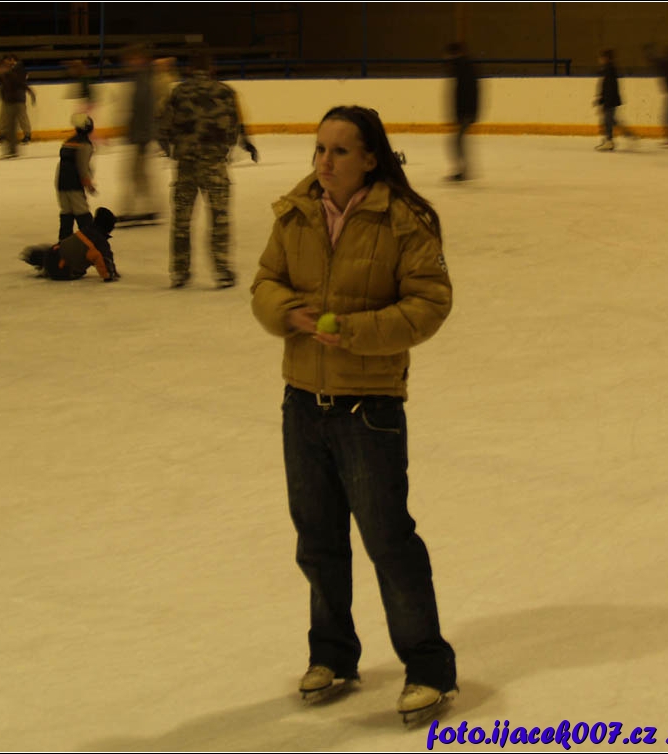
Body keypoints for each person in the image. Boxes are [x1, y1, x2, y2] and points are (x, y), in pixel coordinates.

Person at [250, 105, 457, 720]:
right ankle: (333, 655)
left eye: (339, 151)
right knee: (317, 540)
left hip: (369, 408)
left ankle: (428, 667)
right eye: (319, 149)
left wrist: (357, 332)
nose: (325, 161)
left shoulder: (404, 220)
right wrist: (285, 312)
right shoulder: (296, 211)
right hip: (302, 402)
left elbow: (430, 303)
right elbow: (264, 282)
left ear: (370, 158)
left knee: (388, 541)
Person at [157, 48, 240, 289]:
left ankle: (180, 271)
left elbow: (162, 127)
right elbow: (233, 128)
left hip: (186, 165)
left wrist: (173, 151)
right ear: (211, 68)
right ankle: (222, 270)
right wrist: (223, 149)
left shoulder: (178, 93)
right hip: (215, 165)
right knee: (219, 219)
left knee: (182, 221)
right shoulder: (225, 92)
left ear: (189, 68)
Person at [117, 44, 159, 224]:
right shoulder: (140, 78)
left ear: (140, 59)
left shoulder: (143, 81)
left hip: (141, 136)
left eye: (131, 59)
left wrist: (141, 137)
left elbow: (144, 111)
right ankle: (149, 208)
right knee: (139, 174)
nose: (127, 63)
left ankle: (134, 209)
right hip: (139, 135)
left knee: (135, 173)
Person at [20, 207, 120, 282]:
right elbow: (104, 261)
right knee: (73, 260)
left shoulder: (85, 230)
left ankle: (43, 260)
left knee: (65, 251)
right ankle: (52, 267)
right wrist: (110, 275)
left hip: (53, 253)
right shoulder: (100, 244)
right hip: (62, 271)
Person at [56, 113, 97, 240]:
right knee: (82, 213)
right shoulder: (85, 145)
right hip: (74, 184)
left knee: (66, 213)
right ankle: (91, 240)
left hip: (61, 183)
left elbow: (62, 165)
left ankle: (64, 241)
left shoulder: (68, 142)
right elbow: (82, 167)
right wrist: (89, 185)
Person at [445, 42, 479, 180]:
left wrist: (461, 113)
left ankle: (464, 171)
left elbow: (463, 93)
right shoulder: (465, 67)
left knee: (457, 142)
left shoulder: (463, 68)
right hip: (467, 111)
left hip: (465, 111)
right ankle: (463, 170)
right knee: (458, 141)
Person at [0, 54, 36, 157]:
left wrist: (30, 92)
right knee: (9, 124)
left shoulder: (14, 72)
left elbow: (21, 83)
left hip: (16, 100)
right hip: (9, 101)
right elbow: (0, 87)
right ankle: (10, 147)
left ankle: (23, 138)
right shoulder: (5, 75)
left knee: (18, 120)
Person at [593, 49, 637, 151]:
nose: (599, 60)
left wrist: (604, 101)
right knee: (610, 121)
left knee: (608, 121)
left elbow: (609, 88)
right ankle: (624, 136)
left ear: (606, 58)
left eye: (601, 58)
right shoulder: (608, 70)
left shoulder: (609, 70)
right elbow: (606, 87)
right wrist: (601, 99)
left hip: (610, 101)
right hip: (610, 100)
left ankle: (609, 141)